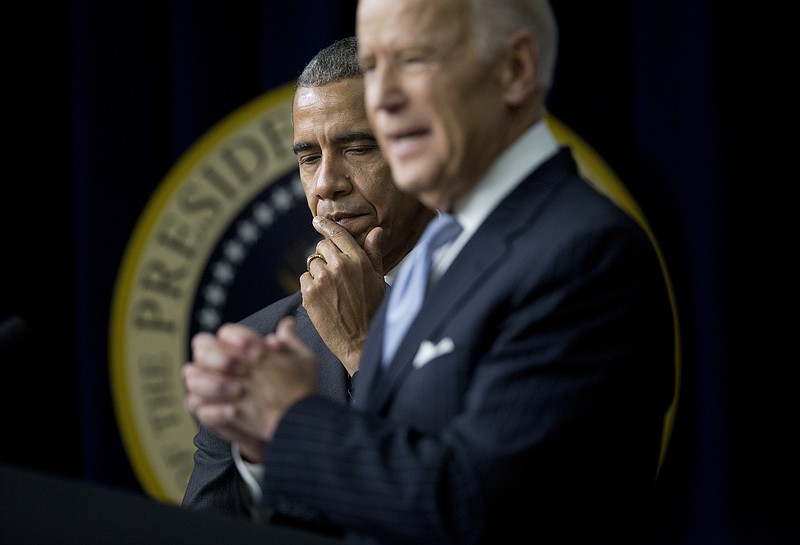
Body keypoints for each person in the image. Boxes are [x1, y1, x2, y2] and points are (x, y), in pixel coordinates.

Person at [182, 1, 676, 543]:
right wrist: (258, 452)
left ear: (513, 70)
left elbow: (474, 508)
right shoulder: (453, 253)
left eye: (413, 60)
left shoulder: (583, 256)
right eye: (374, 66)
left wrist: (290, 422)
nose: (383, 97)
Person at [180, 36, 433, 519]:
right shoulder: (259, 345)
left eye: (357, 148)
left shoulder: (496, 305)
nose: (325, 184)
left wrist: (367, 348)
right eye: (309, 158)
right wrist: (258, 460)